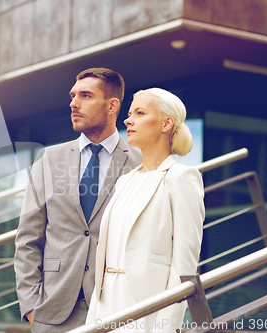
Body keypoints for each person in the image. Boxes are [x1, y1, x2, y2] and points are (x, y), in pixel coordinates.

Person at [14, 68, 142, 332]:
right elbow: (27, 239)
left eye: (85, 95)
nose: (74, 103)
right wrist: (30, 305)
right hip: (52, 311)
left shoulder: (140, 162)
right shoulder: (48, 159)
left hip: (118, 309)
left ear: (112, 105)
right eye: (73, 96)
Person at [86, 88, 205, 332]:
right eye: (129, 113)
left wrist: (166, 325)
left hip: (147, 308)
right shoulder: (125, 181)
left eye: (140, 113)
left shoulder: (182, 177)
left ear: (166, 123)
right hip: (106, 302)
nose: (128, 120)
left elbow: (184, 264)